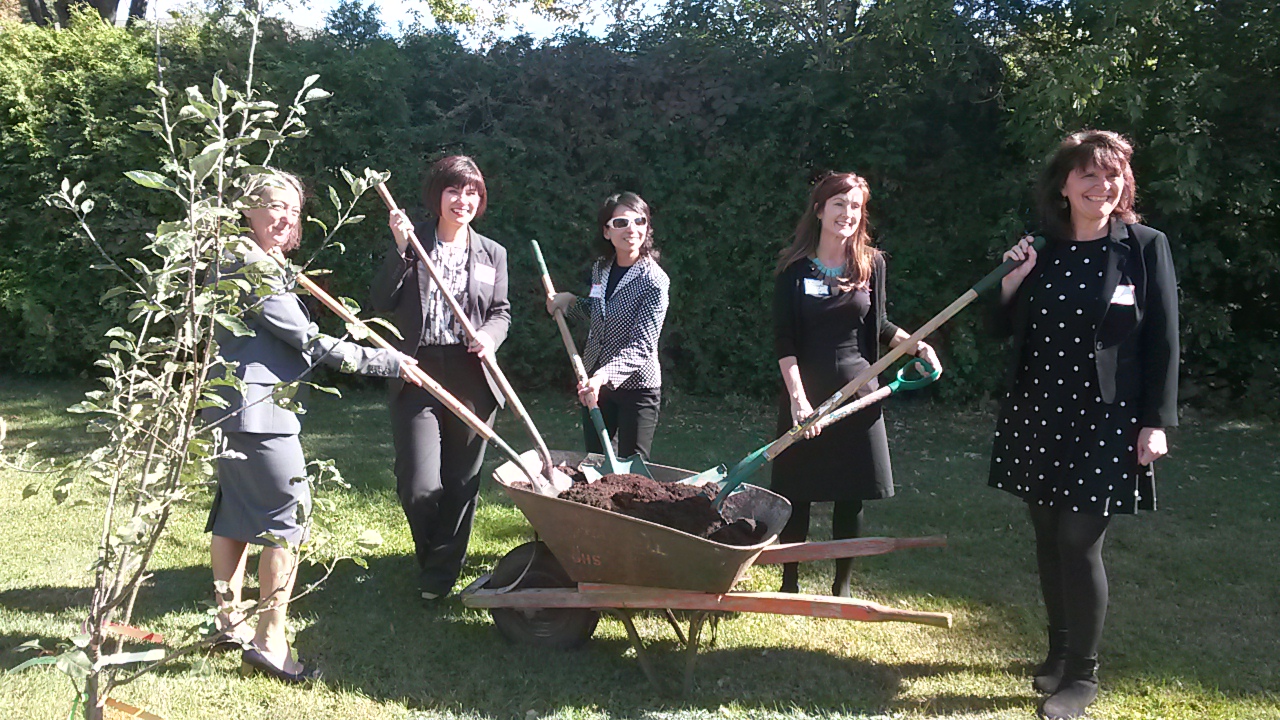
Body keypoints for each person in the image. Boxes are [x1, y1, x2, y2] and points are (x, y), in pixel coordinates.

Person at [989, 130, 1179, 720]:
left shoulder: (1144, 247)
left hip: (1107, 416)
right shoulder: (1039, 248)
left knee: (1079, 538)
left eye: (1113, 173)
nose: (1103, 185)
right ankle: (1058, 651)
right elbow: (997, 333)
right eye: (1089, 175)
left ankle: (1083, 676)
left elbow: (1164, 340)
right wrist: (1011, 281)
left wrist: (1156, 422)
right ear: (1064, 185)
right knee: (1047, 534)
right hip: (1039, 409)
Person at [204, 171, 416, 682]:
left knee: (235, 513)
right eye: (274, 206)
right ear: (248, 207)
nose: (284, 218)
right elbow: (306, 339)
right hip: (258, 414)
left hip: (231, 407)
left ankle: (228, 621)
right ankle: (270, 641)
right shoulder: (249, 264)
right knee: (287, 518)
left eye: (293, 212)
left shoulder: (247, 258)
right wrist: (385, 362)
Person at [770, 171, 941, 597]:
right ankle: (789, 581)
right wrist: (798, 400)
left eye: (855, 207)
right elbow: (785, 342)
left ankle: (841, 585)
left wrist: (915, 347)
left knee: (852, 492)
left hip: (858, 388)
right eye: (839, 204)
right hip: (806, 390)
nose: (847, 214)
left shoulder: (871, 264)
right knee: (798, 489)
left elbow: (878, 323)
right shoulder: (792, 269)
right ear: (820, 209)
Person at [371, 155, 510, 602]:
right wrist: (400, 247)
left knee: (462, 478)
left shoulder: (493, 253)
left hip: (471, 374)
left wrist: (488, 337)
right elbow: (380, 301)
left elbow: (501, 313)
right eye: (455, 190)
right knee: (419, 484)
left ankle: (439, 573)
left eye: (472, 193)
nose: (463, 200)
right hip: (418, 369)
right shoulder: (414, 243)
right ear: (438, 196)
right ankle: (435, 552)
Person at [546, 192, 670, 462]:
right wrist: (570, 303)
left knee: (633, 473)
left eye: (639, 221)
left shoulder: (654, 281)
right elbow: (601, 313)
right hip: (595, 384)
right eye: (621, 223)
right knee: (596, 462)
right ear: (606, 231)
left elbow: (642, 346)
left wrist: (603, 376)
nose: (631, 229)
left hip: (637, 388)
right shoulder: (601, 268)